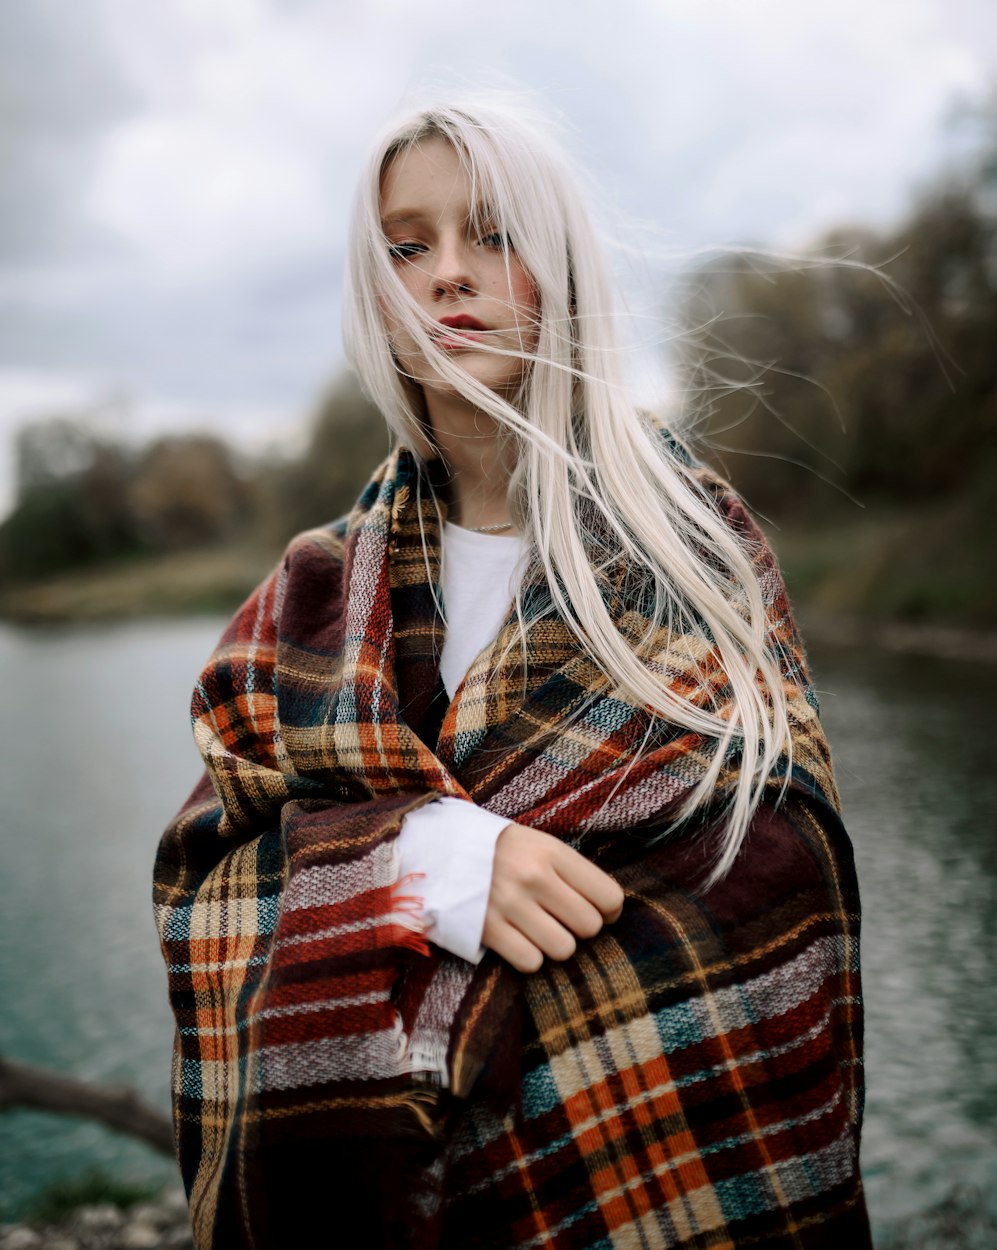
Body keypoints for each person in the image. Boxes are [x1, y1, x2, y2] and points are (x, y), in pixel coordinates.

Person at [153, 96, 872, 1250]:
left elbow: (779, 878)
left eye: (491, 234)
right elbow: (203, 882)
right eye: (406, 244)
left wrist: (426, 976)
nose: (447, 274)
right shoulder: (313, 593)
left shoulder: (692, 548)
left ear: (561, 268)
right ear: (377, 298)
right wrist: (417, 861)